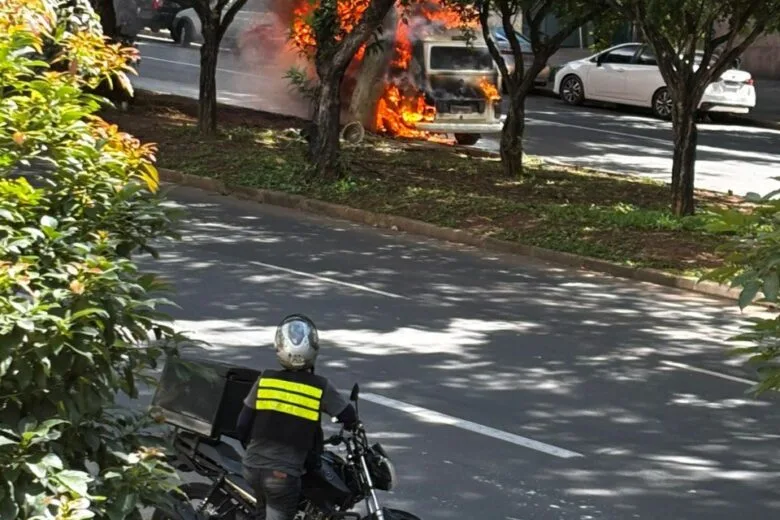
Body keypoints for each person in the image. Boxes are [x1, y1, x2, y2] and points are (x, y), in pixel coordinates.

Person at [235, 314, 357, 520]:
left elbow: (242, 425)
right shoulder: (319, 386)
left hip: (252, 466)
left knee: (263, 512)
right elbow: (348, 415)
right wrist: (352, 423)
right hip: (281, 476)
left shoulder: (265, 379)